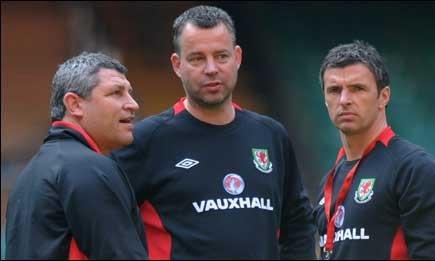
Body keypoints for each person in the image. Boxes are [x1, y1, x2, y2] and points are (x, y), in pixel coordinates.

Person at [111, 5, 316, 260]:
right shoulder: (146, 140)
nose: (211, 69)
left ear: (238, 57)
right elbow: (103, 222)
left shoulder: (271, 135)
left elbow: (297, 224)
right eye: (197, 58)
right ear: (177, 64)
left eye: (221, 56)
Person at [312, 40, 435, 260]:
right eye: (334, 90)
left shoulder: (414, 169)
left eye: (357, 89)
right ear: (325, 99)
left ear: (384, 96)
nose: (344, 100)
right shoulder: (330, 180)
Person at [5, 52, 148, 259]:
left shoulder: (30, 172)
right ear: (74, 104)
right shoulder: (90, 168)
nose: (133, 104)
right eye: (116, 93)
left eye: (129, 93)